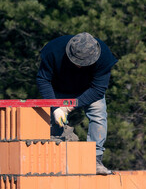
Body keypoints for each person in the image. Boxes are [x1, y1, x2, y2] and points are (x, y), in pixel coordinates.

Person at [36, 32, 118, 175]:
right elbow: (43, 80)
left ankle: (95, 159)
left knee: (98, 114)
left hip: (89, 90)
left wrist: (68, 107)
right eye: (77, 62)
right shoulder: (53, 50)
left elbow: (98, 90)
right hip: (59, 89)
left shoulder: (103, 55)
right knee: (55, 124)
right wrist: (55, 107)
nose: (80, 66)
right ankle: (54, 162)